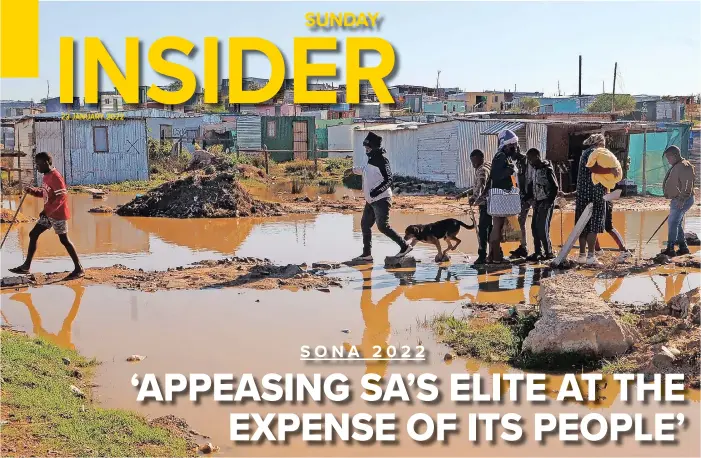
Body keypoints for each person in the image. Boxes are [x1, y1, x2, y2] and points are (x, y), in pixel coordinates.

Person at [9, 152, 84, 279]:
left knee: (64, 240)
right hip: (49, 214)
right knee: (33, 234)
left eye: (38, 164)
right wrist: (32, 191)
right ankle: (26, 266)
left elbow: (62, 197)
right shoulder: (46, 176)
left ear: (46, 163)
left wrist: (48, 210)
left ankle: (79, 269)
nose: (36, 167)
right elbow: (45, 194)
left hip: (58, 214)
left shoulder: (56, 176)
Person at [349, 132, 412, 262]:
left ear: (374, 147)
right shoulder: (371, 160)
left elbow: (389, 180)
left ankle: (404, 246)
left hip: (382, 199)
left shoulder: (383, 160)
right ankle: (367, 254)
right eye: (365, 149)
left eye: (368, 148)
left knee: (383, 226)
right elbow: (366, 170)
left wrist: (376, 191)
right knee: (365, 225)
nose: (366, 151)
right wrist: (353, 170)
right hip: (371, 200)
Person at [574, 134, 620, 266]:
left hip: (582, 194)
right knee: (593, 226)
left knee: (582, 225)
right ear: (600, 143)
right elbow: (592, 168)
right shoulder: (596, 153)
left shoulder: (585, 153)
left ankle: (582, 255)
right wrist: (610, 170)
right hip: (595, 194)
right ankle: (591, 256)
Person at [487, 129, 519, 263]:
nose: (515, 148)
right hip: (500, 196)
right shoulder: (501, 157)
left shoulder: (502, 156)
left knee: (497, 226)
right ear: (506, 145)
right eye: (513, 145)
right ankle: (496, 258)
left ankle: (493, 257)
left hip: (499, 196)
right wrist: (510, 169)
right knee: (497, 227)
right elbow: (496, 175)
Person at [457, 149, 492, 264]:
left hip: (486, 203)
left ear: (480, 158)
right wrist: (465, 193)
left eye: (474, 161)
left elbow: (481, 186)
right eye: (472, 162)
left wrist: (473, 198)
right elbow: (478, 186)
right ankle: (496, 252)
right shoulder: (487, 165)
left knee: (482, 230)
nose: (473, 164)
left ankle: (482, 256)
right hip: (490, 202)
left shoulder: (482, 170)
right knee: (490, 229)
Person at [661, 145, 696, 256]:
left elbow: (688, 184)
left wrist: (682, 199)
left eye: (669, 158)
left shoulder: (684, 166)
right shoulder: (678, 165)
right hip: (679, 199)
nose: (668, 160)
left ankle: (670, 249)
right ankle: (683, 248)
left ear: (675, 155)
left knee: (672, 223)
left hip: (682, 199)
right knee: (676, 223)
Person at [524, 148, 558, 261]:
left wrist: (549, 201)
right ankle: (538, 252)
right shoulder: (534, 169)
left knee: (543, 228)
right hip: (537, 202)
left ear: (537, 157)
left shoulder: (547, 169)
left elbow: (555, 187)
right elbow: (531, 185)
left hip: (546, 202)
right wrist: (527, 198)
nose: (529, 161)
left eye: (530, 159)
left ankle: (549, 253)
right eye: (528, 159)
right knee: (534, 228)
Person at [510, 144, 535, 259]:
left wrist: (528, 194)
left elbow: (531, 178)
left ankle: (540, 249)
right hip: (523, 196)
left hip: (533, 195)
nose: (511, 156)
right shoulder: (518, 162)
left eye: (512, 153)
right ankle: (523, 247)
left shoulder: (527, 160)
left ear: (517, 150)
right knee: (520, 222)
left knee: (537, 223)